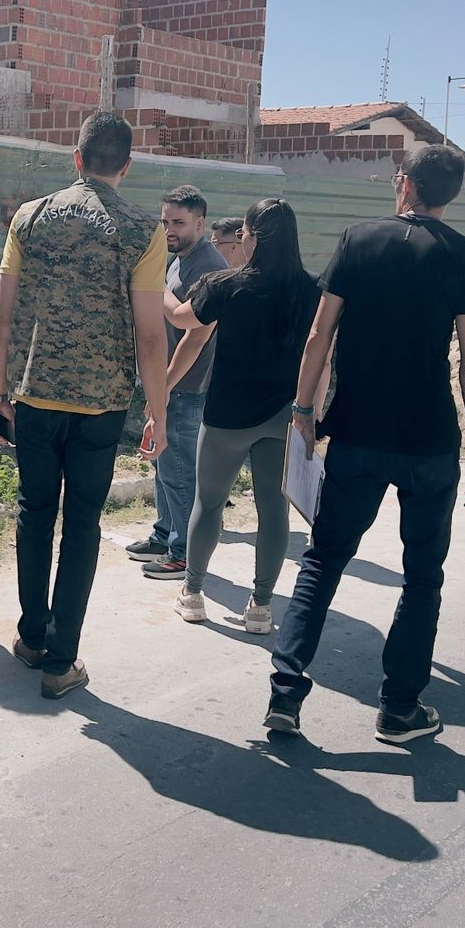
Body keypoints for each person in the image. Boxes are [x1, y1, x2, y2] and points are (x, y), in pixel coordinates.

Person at [264, 145, 465, 744]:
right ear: (452, 194)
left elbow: (320, 334)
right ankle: (398, 709)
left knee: (324, 558)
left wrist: (304, 410)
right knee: (422, 576)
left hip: (358, 433)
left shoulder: (358, 240)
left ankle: (286, 694)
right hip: (429, 443)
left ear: (403, 183)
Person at [0, 112, 170, 701]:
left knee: (34, 513)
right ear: (126, 165)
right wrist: (157, 412)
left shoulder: (30, 216)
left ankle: (32, 637)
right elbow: (150, 335)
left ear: (77, 157)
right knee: (83, 525)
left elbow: (4, 319)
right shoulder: (143, 229)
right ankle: (60, 661)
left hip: (34, 396)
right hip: (100, 404)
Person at [164, 198, 321, 633]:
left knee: (208, 502)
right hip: (283, 418)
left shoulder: (225, 285)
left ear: (251, 237)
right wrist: (312, 413)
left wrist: (159, 285)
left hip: (227, 418)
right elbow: (323, 356)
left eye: (244, 234)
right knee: (273, 509)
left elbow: (183, 324)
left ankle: (193, 593)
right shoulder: (312, 289)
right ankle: (262, 606)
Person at [126, 186, 227, 579]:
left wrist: (163, 388)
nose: (168, 229)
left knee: (180, 469)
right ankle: (164, 533)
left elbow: (196, 334)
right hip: (167, 383)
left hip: (185, 386)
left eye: (178, 223)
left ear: (200, 223)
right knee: (162, 462)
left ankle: (183, 553)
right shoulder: (176, 258)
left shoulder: (208, 265)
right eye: (165, 221)